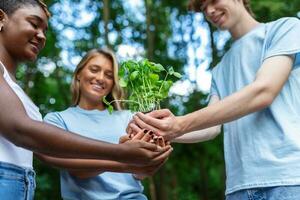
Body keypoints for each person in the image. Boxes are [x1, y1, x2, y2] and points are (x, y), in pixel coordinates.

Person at [129, 0, 300, 199]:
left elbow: (264, 91)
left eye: (213, 1)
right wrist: (161, 130)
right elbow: (211, 128)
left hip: (288, 179)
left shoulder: (284, 29)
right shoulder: (220, 69)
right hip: (239, 188)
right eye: (203, 8)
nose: (209, 11)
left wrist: (180, 124)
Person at [0, 1, 171, 199]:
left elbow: (42, 152)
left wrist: (144, 157)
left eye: (45, 29)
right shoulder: (57, 118)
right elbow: (22, 130)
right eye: (34, 24)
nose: (42, 35)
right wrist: (121, 154)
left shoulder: (14, 87)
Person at [37, 48, 165, 200]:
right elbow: (76, 169)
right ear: (79, 73)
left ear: (113, 83)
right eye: (94, 70)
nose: (100, 78)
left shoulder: (129, 117)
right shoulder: (56, 120)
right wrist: (123, 154)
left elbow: (138, 173)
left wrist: (149, 163)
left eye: (109, 75)